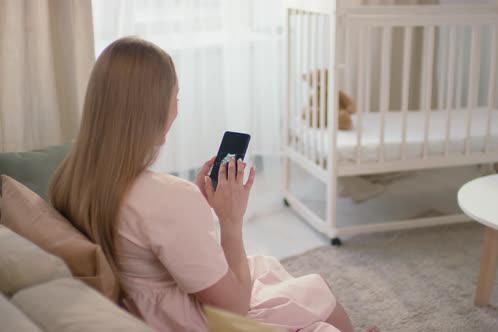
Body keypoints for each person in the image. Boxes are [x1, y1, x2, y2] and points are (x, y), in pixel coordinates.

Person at [49, 37, 378, 332]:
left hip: (145, 307)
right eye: (176, 97)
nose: (177, 107)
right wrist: (230, 222)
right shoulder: (167, 197)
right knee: (318, 299)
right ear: (155, 110)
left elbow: (148, 237)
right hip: (193, 321)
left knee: (267, 271)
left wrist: (195, 207)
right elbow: (234, 311)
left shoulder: (70, 177)